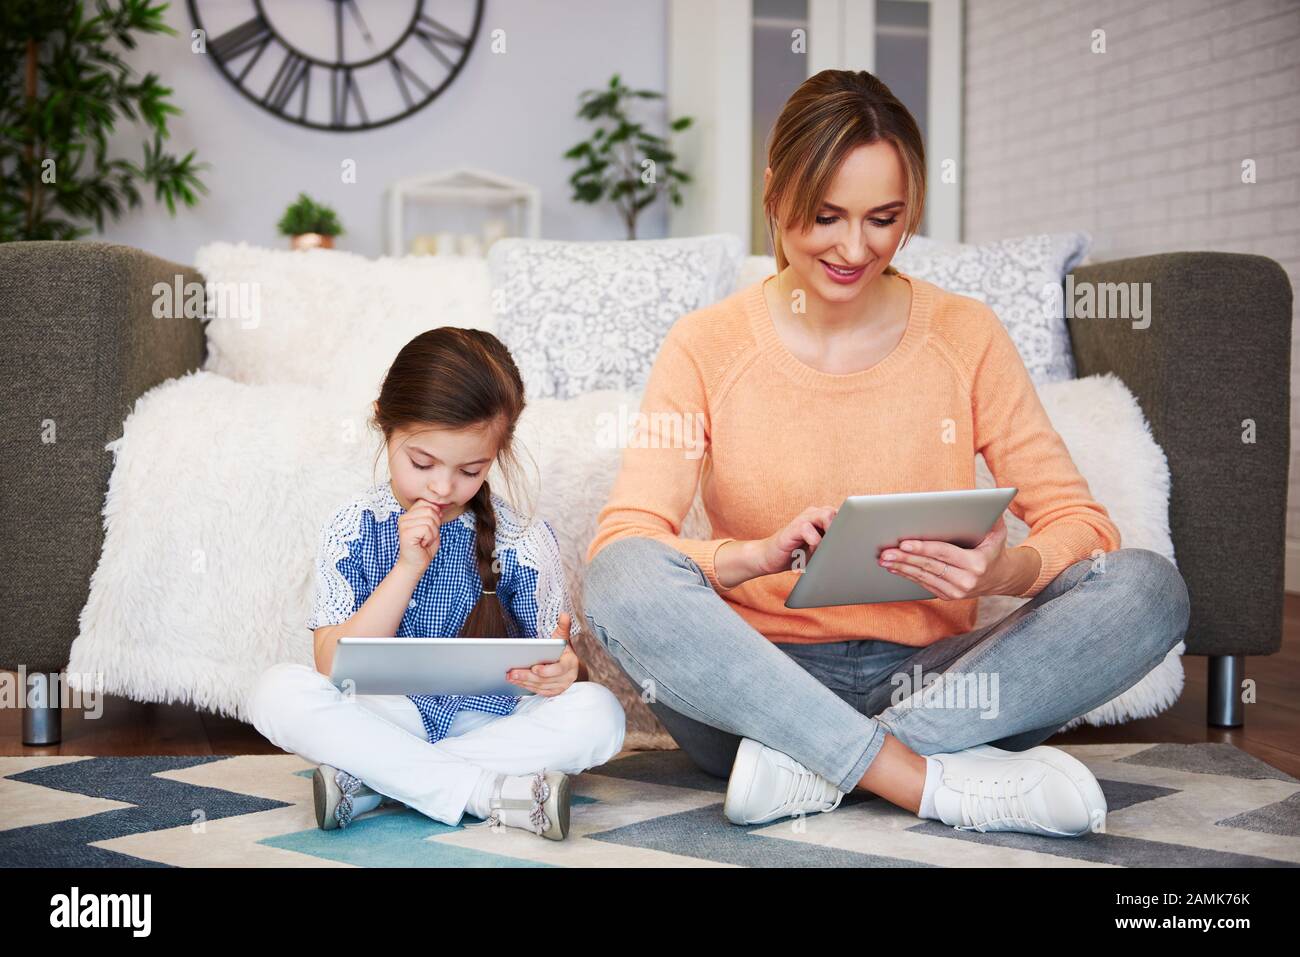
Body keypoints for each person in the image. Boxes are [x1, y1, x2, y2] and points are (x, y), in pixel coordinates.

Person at [582, 69, 1189, 838]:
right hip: (758, 685)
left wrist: (1007, 571)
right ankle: (929, 781)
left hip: (941, 682)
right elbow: (627, 543)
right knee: (618, 577)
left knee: (1148, 589)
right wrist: (748, 556)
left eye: (883, 218)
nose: (853, 247)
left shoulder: (965, 334)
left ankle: (822, 769)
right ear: (775, 193)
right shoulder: (706, 345)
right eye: (826, 215)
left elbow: (1079, 521)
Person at [249, 327, 626, 840]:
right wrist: (407, 568)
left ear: (497, 453)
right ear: (385, 425)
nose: (444, 488)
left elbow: (560, 667)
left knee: (599, 714)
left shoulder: (522, 539)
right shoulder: (353, 525)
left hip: (491, 720)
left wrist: (563, 671)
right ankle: (488, 794)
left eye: (470, 470)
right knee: (275, 693)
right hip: (384, 714)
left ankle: (374, 782)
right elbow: (331, 663)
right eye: (422, 463)